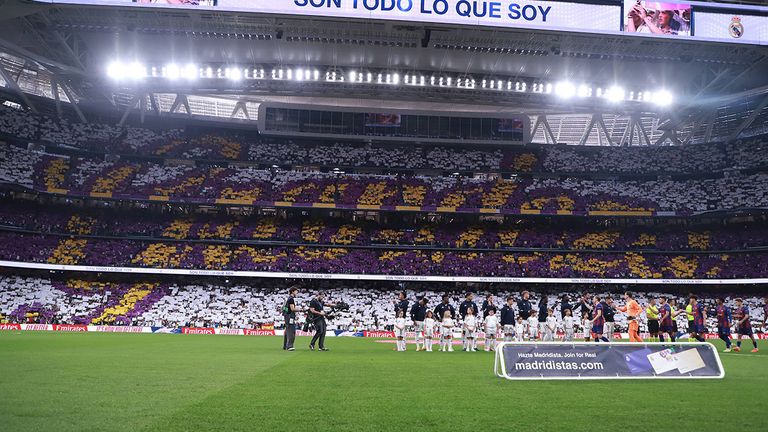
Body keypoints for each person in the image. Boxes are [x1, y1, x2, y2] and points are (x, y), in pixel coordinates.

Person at [282, 286, 301, 351]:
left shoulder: (288, 298)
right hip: (290, 316)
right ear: (292, 291)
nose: (297, 293)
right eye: (296, 291)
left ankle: (285, 345)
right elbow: (292, 309)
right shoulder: (291, 299)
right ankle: (289, 346)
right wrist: (300, 309)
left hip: (287, 316)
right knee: (291, 331)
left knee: (287, 331)